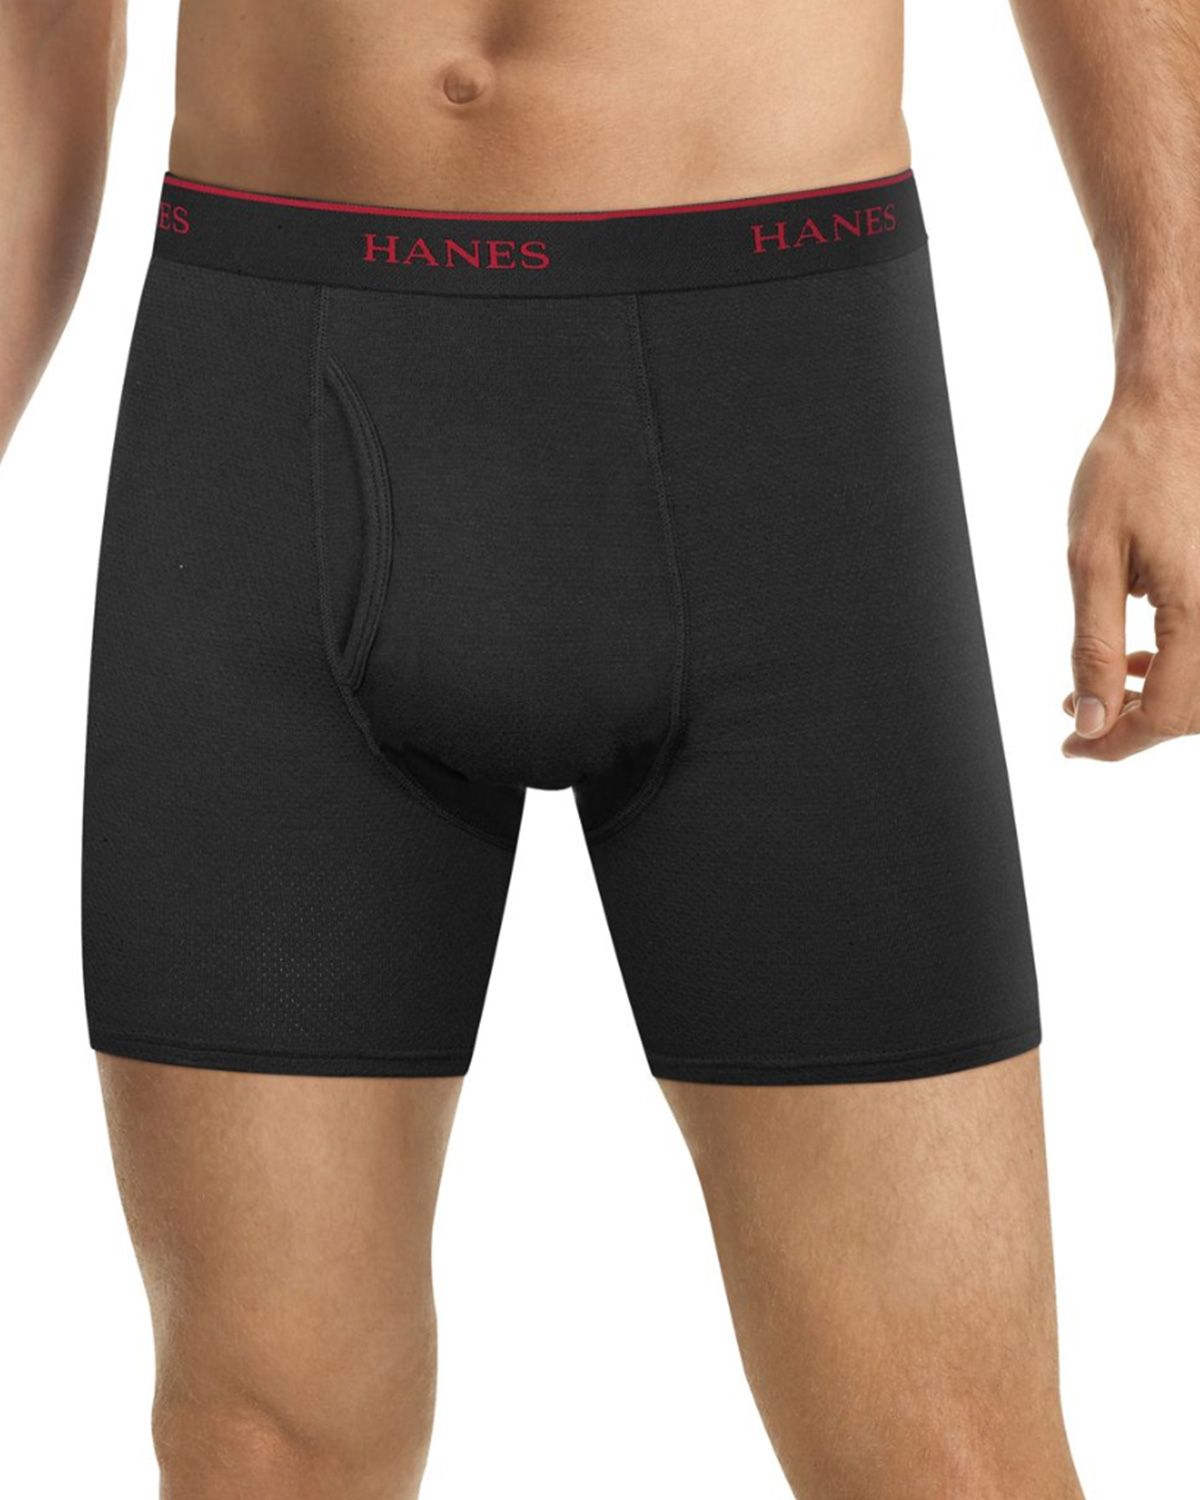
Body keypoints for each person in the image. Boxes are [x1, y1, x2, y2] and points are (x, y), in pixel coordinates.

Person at [4, 1, 1198, 1495]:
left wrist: (1178, 376)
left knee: (948, 1456)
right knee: (255, 1442)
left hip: (774, 403)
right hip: (268, 392)